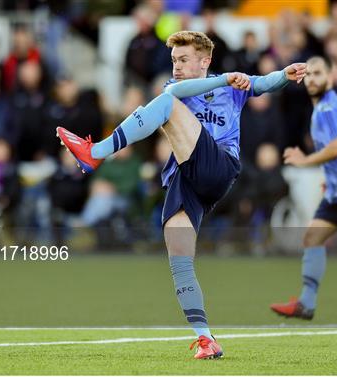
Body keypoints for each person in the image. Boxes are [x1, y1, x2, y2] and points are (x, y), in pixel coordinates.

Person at [57, 30, 307, 359]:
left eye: (184, 60)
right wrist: (224, 81)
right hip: (185, 179)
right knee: (179, 259)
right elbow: (180, 90)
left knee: (168, 105)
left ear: (205, 61)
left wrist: (285, 75)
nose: (176, 66)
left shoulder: (228, 85)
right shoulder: (184, 88)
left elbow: (263, 83)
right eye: (174, 60)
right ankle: (206, 340)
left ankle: (96, 152)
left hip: (219, 166)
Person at [270, 56, 337, 320]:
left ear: (330, 78)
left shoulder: (328, 108)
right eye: (308, 74)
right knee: (312, 237)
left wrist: (306, 160)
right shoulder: (324, 108)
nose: (313, 79)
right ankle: (306, 303)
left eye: (318, 73)